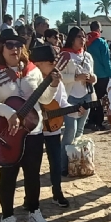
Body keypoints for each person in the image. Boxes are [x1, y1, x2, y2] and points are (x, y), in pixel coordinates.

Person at [0, 29, 58, 222]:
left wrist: (54, 85)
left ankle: (34, 210)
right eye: (9, 45)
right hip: (8, 134)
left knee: (33, 175)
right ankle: (7, 217)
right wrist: (8, 112)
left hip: (33, 131)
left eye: (18, 45)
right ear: (1, 48)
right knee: (9, 175)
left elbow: (45, 99)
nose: (14, 49)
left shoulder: (33, 70)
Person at [33, 44, 72, 208]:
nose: (54, 66)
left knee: (55, 162)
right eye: (50, 63)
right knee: (33, 164)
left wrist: (77, 110)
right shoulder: (29, 81)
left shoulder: (58, 81)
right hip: (33, 130)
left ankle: (57, 191)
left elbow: (63, 103)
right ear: (37, 64)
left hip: (52, 129)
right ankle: (31, 198)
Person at [59, 27, 96, 174]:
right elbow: (57, 76)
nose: (82, 39)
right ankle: (63, 166)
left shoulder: (88, 56)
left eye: (84, 36)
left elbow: (93, 75)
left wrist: (93, 79)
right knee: (70, 131)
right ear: (72, 38)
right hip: (70, 97)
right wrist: (75, 78)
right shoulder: (65, 55)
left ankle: (74, 163)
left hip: (86, 96)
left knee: (80, 131)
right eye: (79, 36)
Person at [85, 20, 111, 130]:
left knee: (91, 99)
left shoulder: (85, 41)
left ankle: (91, 120)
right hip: (102, 75)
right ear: (98, 29)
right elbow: (106, 60)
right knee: (101, 100)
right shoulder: (101, 42)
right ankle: (99, 122)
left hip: (89, 76)